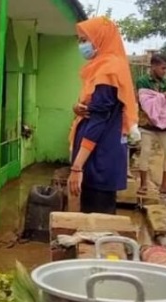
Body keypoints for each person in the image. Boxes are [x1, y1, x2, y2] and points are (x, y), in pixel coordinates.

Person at [68, 17, 138, 214]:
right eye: (80, 41)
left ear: (100, 39)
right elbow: (90, 106)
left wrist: (76, 167)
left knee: (97, 221)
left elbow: (99, 120)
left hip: (100, 157)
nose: (81, 45)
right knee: (95, 219)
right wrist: (76, 107)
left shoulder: (108, 70)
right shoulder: (103, 67)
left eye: (84, 40)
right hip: (97, 156)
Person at [136, 54, 166, 196]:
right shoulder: (142, 81)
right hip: (147, 123)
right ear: (153, 66)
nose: (165, 71)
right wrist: (164, 96)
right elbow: (145, 102)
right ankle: (143, 185)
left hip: (164, 124)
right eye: (162, 68)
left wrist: (164, 97)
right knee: (146, 152)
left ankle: (165, 185)